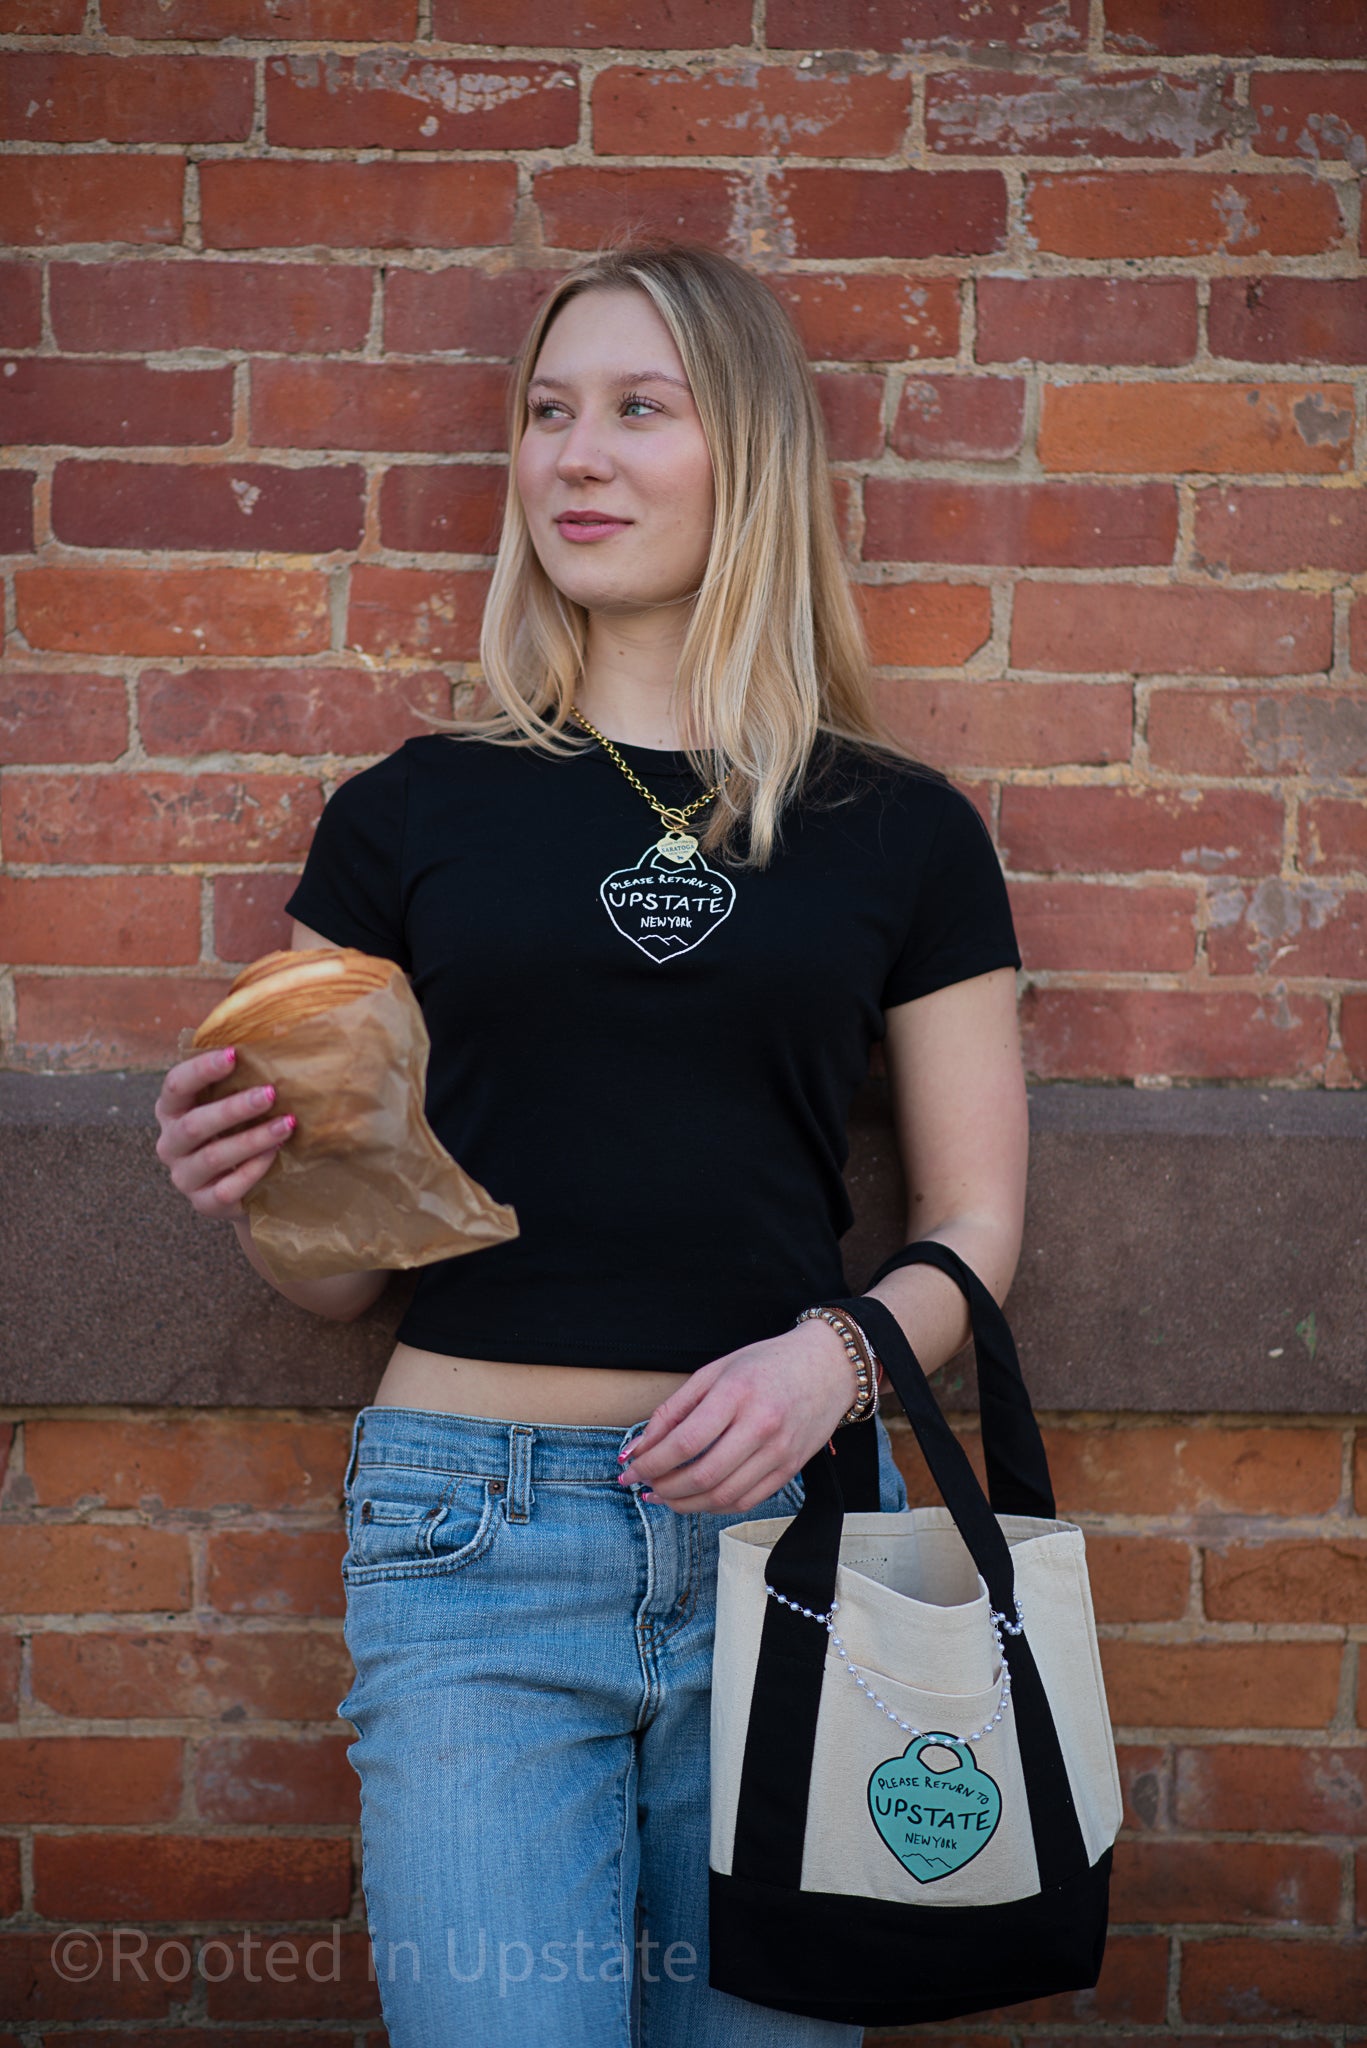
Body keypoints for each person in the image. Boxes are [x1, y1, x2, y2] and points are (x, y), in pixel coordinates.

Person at [154, 240, 1028, 2047]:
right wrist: (259, 1183)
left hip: (793, 1539)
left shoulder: (905, 832)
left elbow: (977, 1222)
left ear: (750, 456)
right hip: (469, 1546)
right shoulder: (408, 814)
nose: (577, 456)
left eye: (641, 409)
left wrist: (829, 1364)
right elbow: (335, 1280)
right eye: (549, 412)